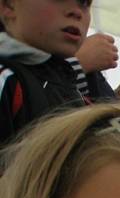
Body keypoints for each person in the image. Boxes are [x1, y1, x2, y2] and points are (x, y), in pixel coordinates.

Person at [0, 0, 89, 146]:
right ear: (9, 5)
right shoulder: (6, 79)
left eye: (85, 3)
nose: (77, 12)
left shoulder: (67, 84)